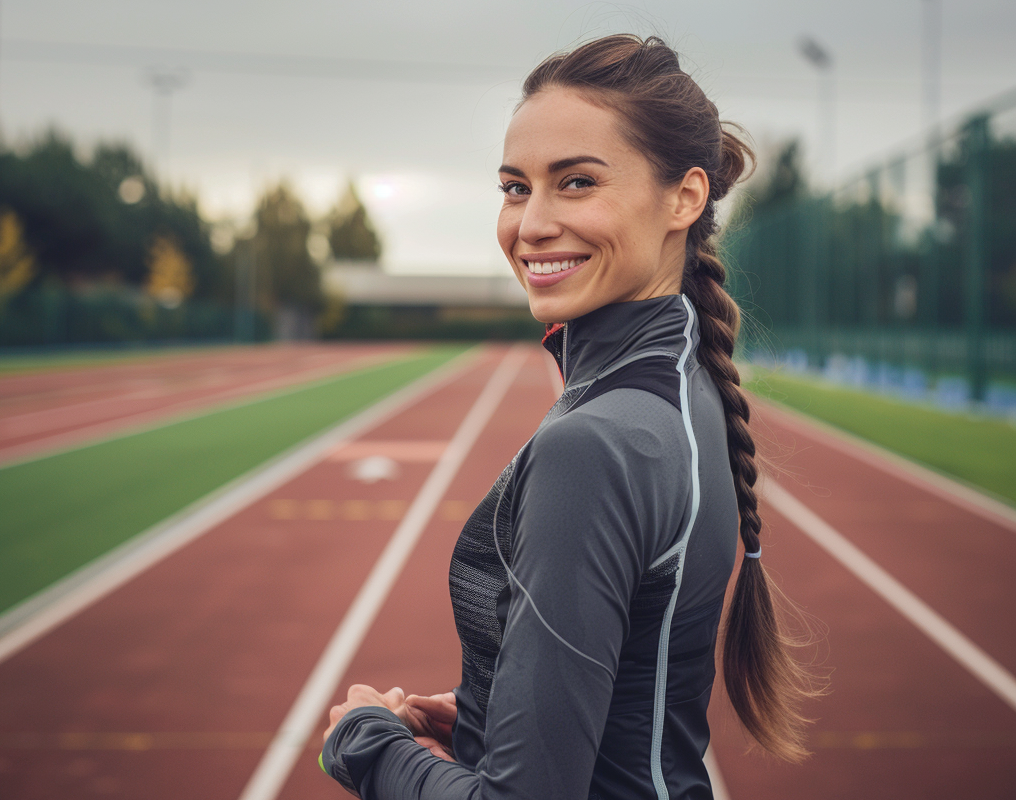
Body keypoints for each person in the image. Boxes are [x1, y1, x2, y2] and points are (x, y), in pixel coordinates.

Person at [320, 33, 817, 799]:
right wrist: (491, 714)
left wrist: (368, 744)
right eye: (516, 188)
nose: (531, 225)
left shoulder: (594, 445)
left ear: (685, 198)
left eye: (577, 182)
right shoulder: (685, 390)